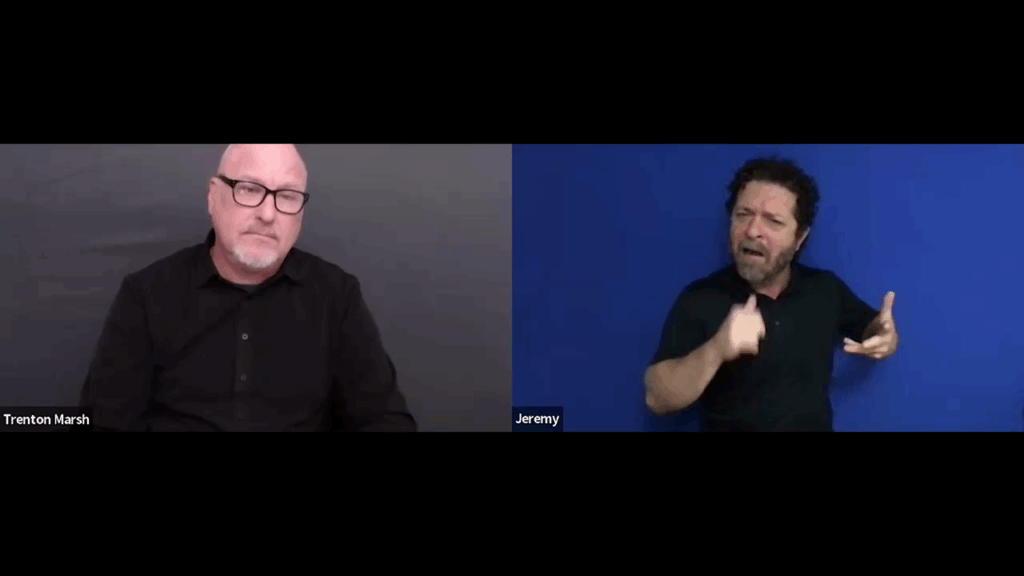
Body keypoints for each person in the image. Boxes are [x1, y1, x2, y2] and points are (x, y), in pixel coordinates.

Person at [79, 144, 417, 431]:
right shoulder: (147, 294)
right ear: (214, 197)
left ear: (300, 214)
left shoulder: (336, 296)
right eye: (250, 189)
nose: (268, 214)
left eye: (286, 196)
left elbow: (386, 421)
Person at [643, 157, 898, 431]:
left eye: (773, 221)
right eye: (743, 215)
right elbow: (657, 399)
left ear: (799, 238)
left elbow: (873, 330)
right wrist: (717, 348)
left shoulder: (825, 289)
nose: (752, 231)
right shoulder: (701, 298)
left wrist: (886, 337)